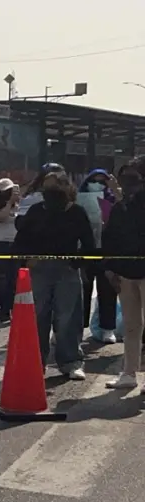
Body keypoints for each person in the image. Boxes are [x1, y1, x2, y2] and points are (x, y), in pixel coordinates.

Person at [13, 169, 96, 379]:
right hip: (39, 270)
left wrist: (76, 262)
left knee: (68, 317)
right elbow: (20, 241)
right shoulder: (35, 211)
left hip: (66, 271)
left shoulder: (76, 212)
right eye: (46, 187)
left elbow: (89, 244)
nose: (50, 191)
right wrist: (27, 259)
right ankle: (36, 362)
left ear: (66, 188)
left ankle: (71, 361)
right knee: (38, 317)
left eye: (55, 187)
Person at [102, 156, 145, 389]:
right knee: (131, 325)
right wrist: (110, 267)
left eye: (134, 176)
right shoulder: (121, 206)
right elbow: (111, 237)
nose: (129, 182)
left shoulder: (134, 204)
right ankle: (129, 373)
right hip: (126, 273)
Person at [78, 169, 121, 343]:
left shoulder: (113, 199)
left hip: (106, 249)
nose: (97, 184)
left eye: (102, 182)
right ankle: (78, 327)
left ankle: (107, 328)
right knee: (82, 291)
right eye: (94, 181)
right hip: (85, 249)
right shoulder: (79, 198)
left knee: (107, 290)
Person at [0, 178, 21, 322]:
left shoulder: (20, 204)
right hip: (0, 244)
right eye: (8, 191)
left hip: (17, 244)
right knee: (2, 279)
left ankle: (17, 309)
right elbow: (0, 217)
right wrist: (9, 203)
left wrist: (17, 201)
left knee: (16, 279)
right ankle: (4, 309)